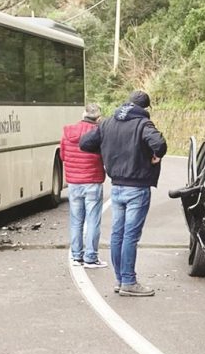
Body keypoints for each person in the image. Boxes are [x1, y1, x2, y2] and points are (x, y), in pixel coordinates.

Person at [80, 90, 167, 297]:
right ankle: (129, 281)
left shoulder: (107, 123)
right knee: (130, 236)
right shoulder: (143, 124)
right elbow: (160, 145)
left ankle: (120, 280)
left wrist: (107, 152)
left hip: (116, 187)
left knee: (117, 235)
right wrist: (155, 155)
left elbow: (85, 143)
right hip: (137, 187)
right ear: (145, 108)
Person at [60, 103, 107, 269]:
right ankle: (91, 257)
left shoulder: (68, 133)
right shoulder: (98, 133)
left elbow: (63, 156)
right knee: (93, 221)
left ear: (83, 115)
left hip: (73, 183)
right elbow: (104, 156)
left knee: (76, 221)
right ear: (98, 118)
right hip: (92, 181)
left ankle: (76, 256)